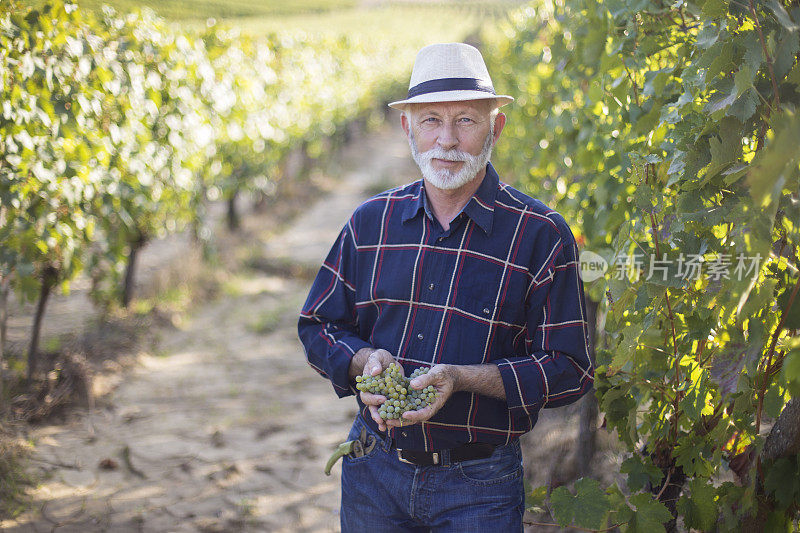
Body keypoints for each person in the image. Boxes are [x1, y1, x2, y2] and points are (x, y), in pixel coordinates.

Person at [298, 42, 593, 532]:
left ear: (495, 127)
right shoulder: (371, 223)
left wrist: (462, 377)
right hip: (373, 470)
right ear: (407, 127)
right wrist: (362, 361)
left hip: (481, 487)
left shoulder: (540, 234)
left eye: (466, 121)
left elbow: (569, 369)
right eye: (431, 120)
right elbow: (318, 324)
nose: (447, 140)